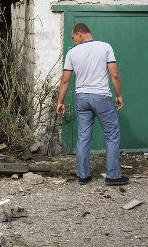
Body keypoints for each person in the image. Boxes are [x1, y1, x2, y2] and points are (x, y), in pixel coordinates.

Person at [56, 23, 129, 186]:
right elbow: (115, 75)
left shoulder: (72, 53)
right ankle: (113, 176)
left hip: (82, 98)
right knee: (111, 135)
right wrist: (119, 95)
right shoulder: (105, 47)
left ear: (80, 34)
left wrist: (60, 102)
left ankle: (82, 175)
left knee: (83, 136)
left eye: (73, 36)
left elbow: (65, 80)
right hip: (101, 97)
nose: (73, 40)